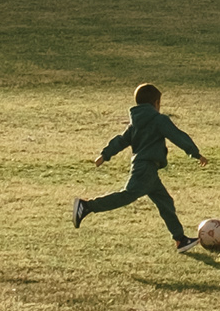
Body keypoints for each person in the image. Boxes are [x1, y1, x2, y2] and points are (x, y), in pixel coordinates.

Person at [71, 81, 205, 249]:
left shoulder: (136, 123)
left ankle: (180, 239)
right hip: (146, 168)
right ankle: (87, 206)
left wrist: (105, 154)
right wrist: (195, 153)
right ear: (156, 103)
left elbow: (121, 140)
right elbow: (176, 135)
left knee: (165, 202)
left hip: (147, 169)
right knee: (127, 196)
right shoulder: (159, 120)